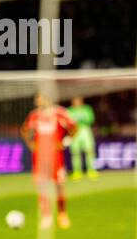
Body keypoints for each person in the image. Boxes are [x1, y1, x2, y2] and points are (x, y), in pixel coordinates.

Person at [21, 93, 77, 229]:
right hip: (40, 157)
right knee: (42, 186)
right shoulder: (34, 115)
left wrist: (65, 141)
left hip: (56, 156)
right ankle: (46, 216)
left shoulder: (60, 113)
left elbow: (74, 128)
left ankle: (62, 215)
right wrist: (30, 145)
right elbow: (24, 130)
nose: (37, 101)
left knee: (59, 186)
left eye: (39, 98)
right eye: (37, 98)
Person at [68, 95, 98, 180]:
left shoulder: (87, 109)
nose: (76, 101)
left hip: (85, 130)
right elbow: (67, 122)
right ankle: (77, 172)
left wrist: (79, 121)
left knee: (89, 150)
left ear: (81, 101)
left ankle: (91, 170)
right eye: (75, 100)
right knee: (75, 152)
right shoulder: (69, 110)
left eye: (78, 100)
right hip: (74, 132)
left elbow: (90, 119)